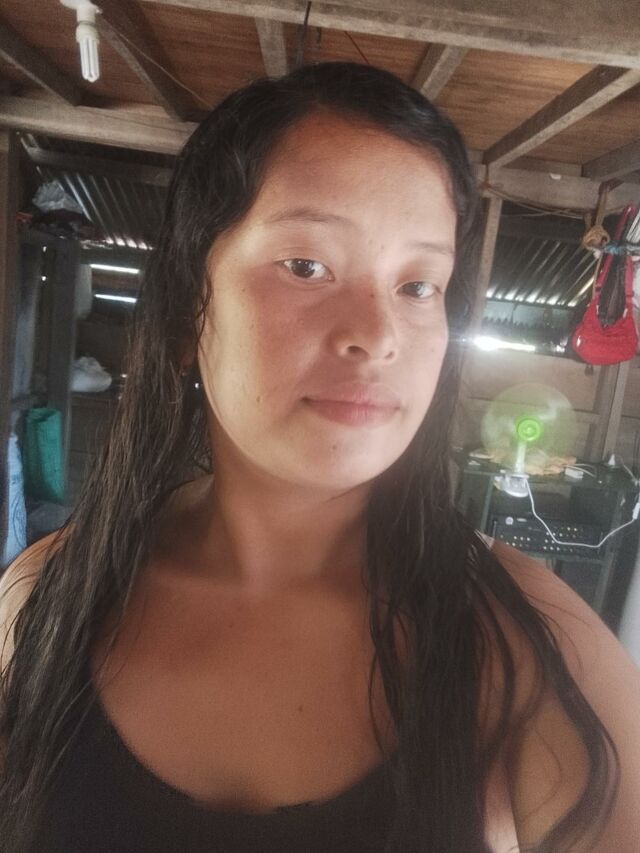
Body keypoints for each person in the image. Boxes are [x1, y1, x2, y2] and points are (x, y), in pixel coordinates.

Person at [1, 61, 639, 853]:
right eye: (306, 266)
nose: (377, 333)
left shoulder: (531, 647)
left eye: (419, 285)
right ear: (186, 311)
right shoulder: (43, 600)